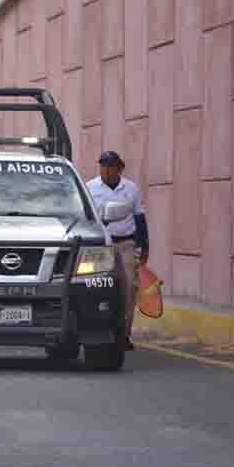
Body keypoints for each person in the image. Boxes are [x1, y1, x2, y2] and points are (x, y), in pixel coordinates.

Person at [86, 150, 150, 350]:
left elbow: (140, 218)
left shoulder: (131, 189)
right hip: (101, 245)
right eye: (103, 165)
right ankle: (95, 330)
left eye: (110, 165)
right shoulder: (90, 187)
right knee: (95, 286)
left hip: (125, 244)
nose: (106, 169)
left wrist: (145, 245)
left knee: (129, 286)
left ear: (119, 168)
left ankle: (123, 334)